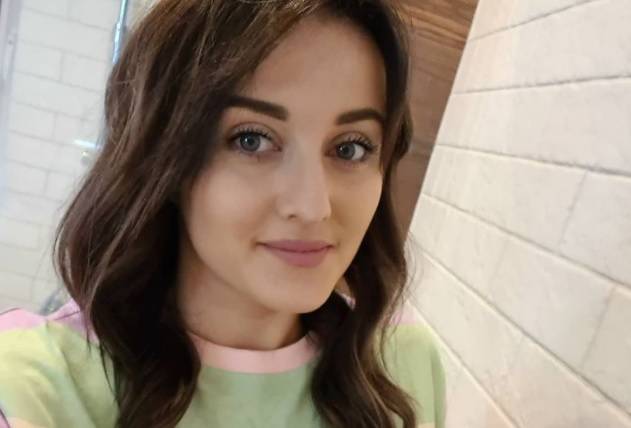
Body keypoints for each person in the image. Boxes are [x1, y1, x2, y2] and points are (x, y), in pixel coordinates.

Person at [0, 0, 445, 427]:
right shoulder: (37, 386)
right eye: (252, 140)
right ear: (167, 160)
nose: (313, 207)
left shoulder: (401, 366)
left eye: (350, 148)